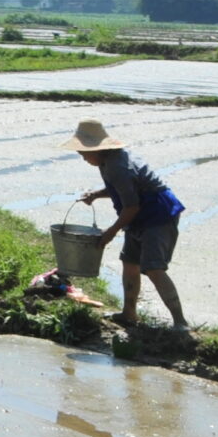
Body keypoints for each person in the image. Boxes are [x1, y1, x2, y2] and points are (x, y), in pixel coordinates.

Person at [65, 119, 188, 332]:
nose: (83, 158)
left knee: (153, 268)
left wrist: (110, 232)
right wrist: (96, 194)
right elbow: (121, 190)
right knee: (130, 262)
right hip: (137, 215)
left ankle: (180, 322)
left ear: (97, 148)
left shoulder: (118, 166)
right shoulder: (107, 161)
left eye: (84, 153)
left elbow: (132, 205)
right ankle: (129, 314)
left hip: (157, 216)